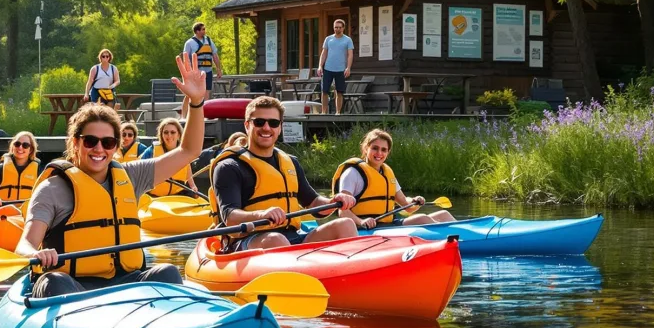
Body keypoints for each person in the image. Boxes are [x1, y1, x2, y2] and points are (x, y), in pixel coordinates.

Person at [17, 52, 209, 297]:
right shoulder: (52, 189)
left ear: (116, 146)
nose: (99, 149)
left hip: (125, 282)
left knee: (168, 272)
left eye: (108, 142)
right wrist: (35, 254)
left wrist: (196, 102)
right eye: (90, 141)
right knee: (54, 282)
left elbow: (190, 150)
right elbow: (24, 244)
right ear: (75, 143)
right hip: (73, 286)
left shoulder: (130, 176)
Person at [210, 95, 359, 253]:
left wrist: (333, 200)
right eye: (259, 122)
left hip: (292, 237)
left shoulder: (291, 163)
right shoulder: (229, 167)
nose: (267, 128)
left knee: (345, 224)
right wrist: (262, 214)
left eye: (273, 123)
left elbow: (313, 202)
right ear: (247, 125)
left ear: (280, 127)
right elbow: (230, 217)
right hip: (247, 241)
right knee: (276, 239)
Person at [333, 129, 456, 228]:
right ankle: (454, 242)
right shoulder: (352, 173)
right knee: (423, 218)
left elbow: (407, 206)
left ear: (388, 152)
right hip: (365, 228)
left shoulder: (387, 173)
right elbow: (343, 212)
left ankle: (467, 239)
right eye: (375, 148)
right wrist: (361, 222)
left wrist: (415, 201)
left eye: (383, 150)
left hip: (388, 225)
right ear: (366, 148)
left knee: (443, 214)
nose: (379, 153)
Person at [0, 131, 40, 209]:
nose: (20, 147)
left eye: (25, 145)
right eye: (17, 144)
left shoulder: (39, 171)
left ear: (30, 150)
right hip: (2, 213)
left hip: (28, 213)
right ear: (12, 147)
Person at [141, 116, 200, 198]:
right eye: (165, 132)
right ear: (161, 135)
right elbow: (139, 171)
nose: (169, 135)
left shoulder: (184, 152)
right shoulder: (151, 151)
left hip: (178, 194)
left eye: (172, 132)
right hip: (155, 197)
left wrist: (193, 185)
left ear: (178, 135)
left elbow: (187, 168)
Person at [316, 18, 354, 115]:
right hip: (328, 68)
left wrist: (348, 67)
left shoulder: (347, 40)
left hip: (341, 69)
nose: (337, 29)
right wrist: (320, 66)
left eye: (339, 27)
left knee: (339, 91)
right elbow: (324, 53)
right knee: (324, 91)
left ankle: (338, 112)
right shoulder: (328, 39)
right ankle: (324, 112)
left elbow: (350, 55)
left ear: (343, 28)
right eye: (335, 27)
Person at [183, 21, 223, 100]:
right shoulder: (189, 43)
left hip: (208, 71)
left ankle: (204, 109)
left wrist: (218, 69)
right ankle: (195, 109)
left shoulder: (208, 40)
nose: (205, 31)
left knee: (207, 91)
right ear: (197, 31)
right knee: (196, 92)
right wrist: (189, 72)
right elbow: (186, 58)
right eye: (203, 29)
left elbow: (214, 55)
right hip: (196, 71)